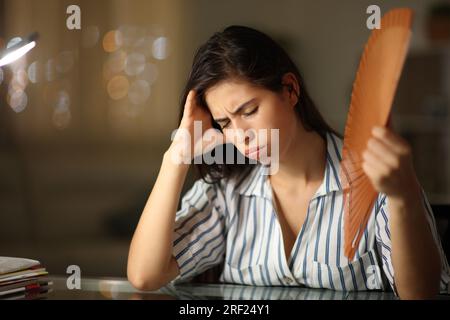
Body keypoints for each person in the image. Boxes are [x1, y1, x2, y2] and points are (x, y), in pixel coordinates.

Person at [127, 25, 450, 299]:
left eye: (249, 111)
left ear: (290, 90)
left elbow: (422, 293)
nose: (240, 135)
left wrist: (402, 196)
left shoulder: (381, 182)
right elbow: (145, 276)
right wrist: (176, 157)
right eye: (224, 123)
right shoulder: (225, 191)